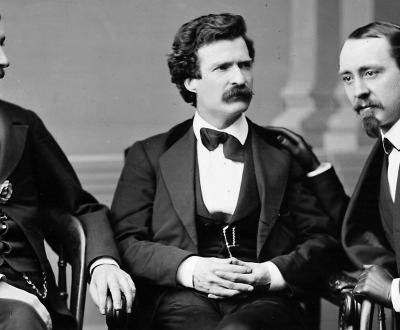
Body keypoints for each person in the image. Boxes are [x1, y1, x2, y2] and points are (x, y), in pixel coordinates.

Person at [110, 13, 341, 330]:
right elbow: (127, 240)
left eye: (245, 65)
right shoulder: (149, 154)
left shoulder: (283, 153)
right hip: (179, 298)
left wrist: (268, 274)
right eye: (223, 68)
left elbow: (322, 239)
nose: (240, 78)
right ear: (190, 81)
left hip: (264, 301)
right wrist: (190, 269)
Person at [0, 15, 135, 330]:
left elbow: (80, 209)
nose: (4, 60)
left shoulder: (24, 125)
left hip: (28, 308)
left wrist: (102, 263)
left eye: (3, 44)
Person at [275, 21, 400, 316]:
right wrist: (315, 168)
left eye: (371, 73)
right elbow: (364, 231)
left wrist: (393, 291)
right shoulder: (388, 147)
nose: (358, 91)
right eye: (347, 78)